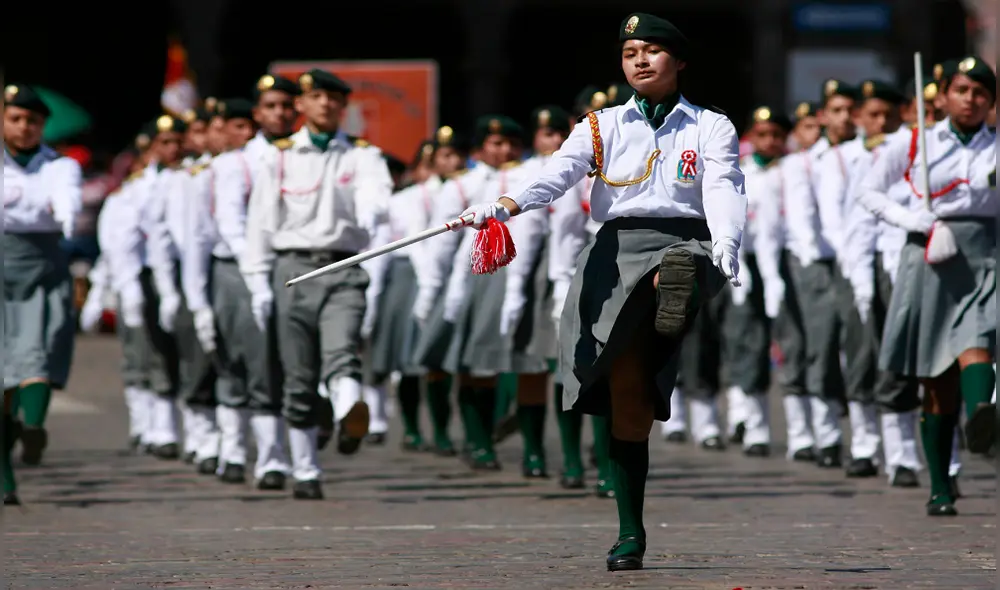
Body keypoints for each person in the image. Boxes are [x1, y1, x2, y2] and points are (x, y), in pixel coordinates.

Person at [456, 13, 744, 570]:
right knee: (627, 395)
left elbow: (724, 185)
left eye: (653, 50)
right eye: (630, 50)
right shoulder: (600, 124)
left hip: (683, 240)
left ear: (679, 61)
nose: (639, 60)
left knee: (682, 265)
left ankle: (675, 286)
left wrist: (728, 242)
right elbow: (558, 173)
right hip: (614, 252)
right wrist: (506, 205)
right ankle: (629, 531)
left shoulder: (710, 125)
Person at [241, 69, 393, 500]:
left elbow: (374, 194)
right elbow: (259, 225)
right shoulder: (281, 156)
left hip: (344, 266)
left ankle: (349, 412)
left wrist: (371, 211)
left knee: (342, 348)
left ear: (344, 108)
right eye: (317, 97)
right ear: (302, 105)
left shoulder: (362, 155)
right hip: (291, 270)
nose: (327, 104)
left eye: (335, 99)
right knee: (299, 373)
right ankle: (306, 469)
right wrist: (257, 284)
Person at [857, 56, 996, 516]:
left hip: (984, 254)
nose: (971, 100)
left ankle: (981, 417)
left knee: (979, 339)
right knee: (935, 378)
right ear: (944, 96)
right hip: (930, 250)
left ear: (991, 102)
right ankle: (940, 483)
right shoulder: (916, 140)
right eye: (962, 90)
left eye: (980, 93)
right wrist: (912, 218)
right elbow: (869, 191)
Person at [365, 127, 468, 454]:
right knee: (407, 357)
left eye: (456, 155)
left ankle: (443, 429)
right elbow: (405, 244)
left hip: (456, 272)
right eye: (444, 156)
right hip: (411, 276)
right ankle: (410, 428)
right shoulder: (408, 198)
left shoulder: (468, 189)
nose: (452, 161)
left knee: (443, 360)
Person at [3, 84, 82, 503]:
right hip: (2, 264)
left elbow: (67, 198)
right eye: (15, 118)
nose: (24, 127)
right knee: (3, 372)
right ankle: (6, 480)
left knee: (39, 349)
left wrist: (66, 217)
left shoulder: (59, 165)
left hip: (43, 263)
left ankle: (32, 426)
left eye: (32, 121)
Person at [783, 79, 858, 468]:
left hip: (858, 258)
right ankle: (826, 436)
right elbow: (802, 217)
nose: (845, 118)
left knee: (861, 346)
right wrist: (815, 258)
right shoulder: (808, 161)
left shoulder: (863, 152)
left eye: (850, 110)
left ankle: (864, 438)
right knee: (822, 345)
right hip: (820, 263)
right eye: (837, 111)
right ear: (824, 116)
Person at [723, 105, 790, 457]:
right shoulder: (741, 173)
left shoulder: (793, 171)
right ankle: (754, 425)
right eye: (763, 135)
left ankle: (802, 432)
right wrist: (739, 270)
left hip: (786, 263)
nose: (771, 142)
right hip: (747, 265)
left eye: (777, 135)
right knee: (748, 342)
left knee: (787, 342)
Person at [774, 102, 823, 461]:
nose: (814, 133)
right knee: (794, 344)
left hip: (830, 260)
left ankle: (827, 433)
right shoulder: (787, 167)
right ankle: (800, 435)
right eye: (805, 126)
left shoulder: (836, 158)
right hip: (791, 260)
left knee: (824, 347)